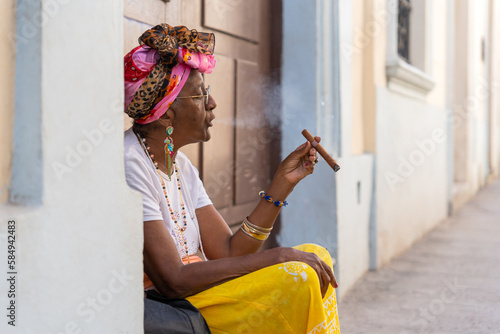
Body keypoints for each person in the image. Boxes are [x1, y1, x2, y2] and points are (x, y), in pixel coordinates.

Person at [124, 24, 341, 333]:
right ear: (167, 113)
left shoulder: (181, 166)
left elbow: (228, 251)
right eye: (201, 95)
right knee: (299, 274)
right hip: (172, 307)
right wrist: (277, 257)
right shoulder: (132, 163)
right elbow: (172, 280)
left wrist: (283, 182)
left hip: (198, 295)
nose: (212, 104)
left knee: (317, 257)